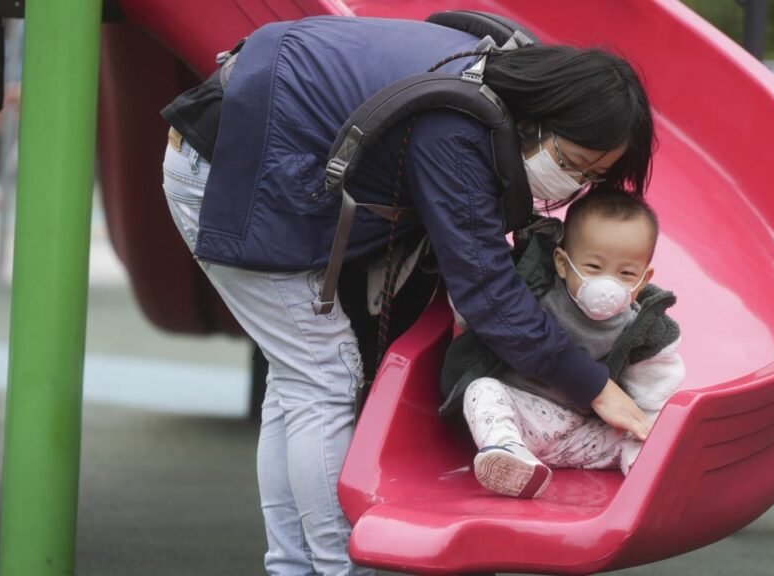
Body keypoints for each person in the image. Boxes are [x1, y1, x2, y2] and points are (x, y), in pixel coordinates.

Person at [160, 14, 654, 576]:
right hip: (228, 162)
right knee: (324, 375)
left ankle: (294, 566)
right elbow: (487, 291)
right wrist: (595, 387)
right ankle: (336, 567)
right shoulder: (457, 127)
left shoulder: (496, 68)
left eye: (592, 177)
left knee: (299, 380)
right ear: (539, 120)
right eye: (570, 163)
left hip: (250, 133)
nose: (572, 184)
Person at [443, 192, 685, 498]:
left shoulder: (641, 327)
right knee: (483, 391)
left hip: (580, 434)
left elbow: (655, 389)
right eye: (594, 268)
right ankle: (509, 453)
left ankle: (644, 471)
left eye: (626, 274)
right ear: (561, 262)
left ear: (644, 278)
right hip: (521, 414)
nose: (607, 285)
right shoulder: (532, 289)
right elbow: (481, 312)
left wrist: (646, 432)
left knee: (640, 431)